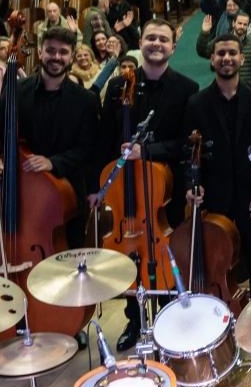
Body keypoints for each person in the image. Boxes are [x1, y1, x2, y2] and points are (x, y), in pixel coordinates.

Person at [97, 19, 199, 350]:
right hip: (126, 187)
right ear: (139, 42)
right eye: (150, 37)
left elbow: (186, 141)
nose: (156, 43)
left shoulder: (186, 89)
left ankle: (170, 318)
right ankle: (134, 319)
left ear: (173, 46)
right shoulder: (118, 87)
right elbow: (109, 135)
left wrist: (149, 151)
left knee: (165, 255)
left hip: (163, 190)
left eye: (163, 39)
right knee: (128, 255)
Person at [0, 27, 100, 250]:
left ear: (72, 56)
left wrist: (53, 162)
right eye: (51, 50)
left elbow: (89, 148)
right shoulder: (16, 90)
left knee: (68, 258)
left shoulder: (86, 100)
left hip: (67, 195)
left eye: (63, 52)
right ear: (40, 51)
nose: (56, 57)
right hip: (20, 192)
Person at [182, 32, 251, 294]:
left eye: (232, 53)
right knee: (218, 260)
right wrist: (193, 185)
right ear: (212, 59)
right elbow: (189, 152)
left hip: (250, 197)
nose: (226, 58)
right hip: (215, 197)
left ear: (241, 58)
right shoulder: (196, 103)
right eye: (221, 54)